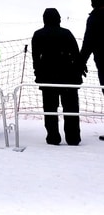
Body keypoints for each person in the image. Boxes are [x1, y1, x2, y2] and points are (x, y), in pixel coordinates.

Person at [32, 8, 83, 146]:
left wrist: (38, 74)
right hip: (68, 77)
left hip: (47, 78)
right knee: (71, 108)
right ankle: (73, 137)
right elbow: (76, 54)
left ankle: (53, 137)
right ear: (59, 18)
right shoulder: (66, 34)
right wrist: (79, 72)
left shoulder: (38, 35)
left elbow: (35, 58)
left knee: (49, 109)